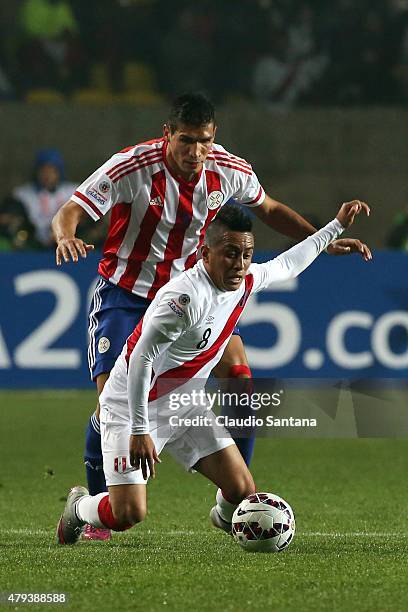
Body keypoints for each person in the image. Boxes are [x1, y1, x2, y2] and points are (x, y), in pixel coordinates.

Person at [52, 93, 371, 541]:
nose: (194, 152)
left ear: (213, 136)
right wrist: (66, 236)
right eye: (185, 141)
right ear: (168, 134)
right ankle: (96, 504)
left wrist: (323, 235)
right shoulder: (132, 167)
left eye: (203, 141)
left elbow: (273, 216)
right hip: (132, 296)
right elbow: (71, 210)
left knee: (240, 377)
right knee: (113, 404)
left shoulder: (230, 182)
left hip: (208, 296)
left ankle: (231, 506)